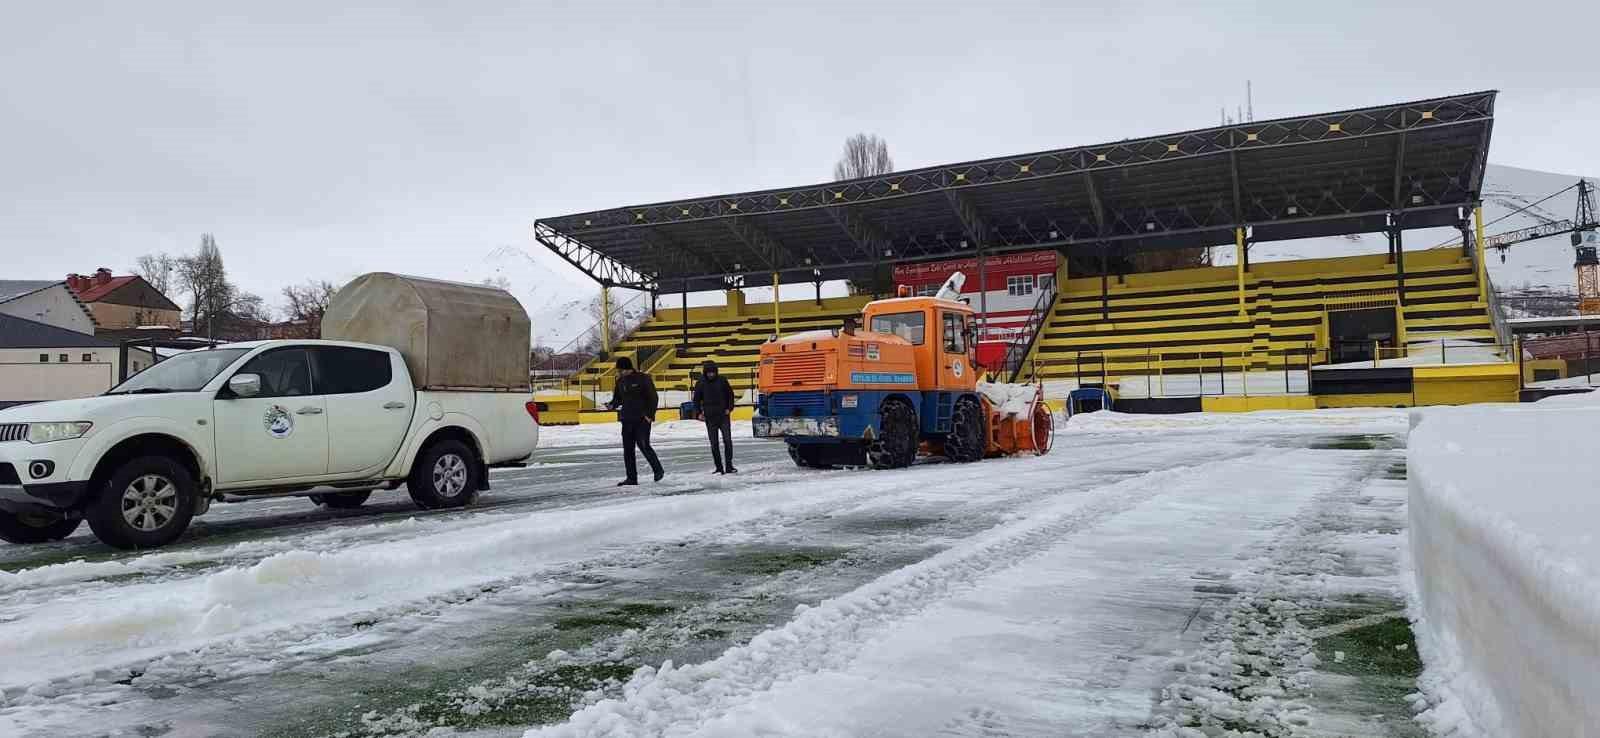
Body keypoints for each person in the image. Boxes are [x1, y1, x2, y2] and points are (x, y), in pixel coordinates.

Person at [606, 357, 663, 486]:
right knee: (628, 449)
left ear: (628, 368)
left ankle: (658, 470)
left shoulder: (643, 378)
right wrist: (611, 405)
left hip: (642, 419)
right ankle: (631, 478)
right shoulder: (620, 381)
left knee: (644, 445)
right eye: (618, 371)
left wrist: (649, 415)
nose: (619, 373)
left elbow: (653, 397)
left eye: (621, 370)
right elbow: (618, 399)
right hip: (627, 419)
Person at [692, 360, 737, 474]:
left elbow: (730, 395)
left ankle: (729, 466)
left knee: (727, 440)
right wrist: (698, 413)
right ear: (705, 373)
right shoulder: (700, 383)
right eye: (709, 373)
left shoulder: (722, 380)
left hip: (723, 416)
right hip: (710, 417)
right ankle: (719, 467)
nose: (711, 375)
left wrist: (729, 408)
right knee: (714, 443)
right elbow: (696, 400)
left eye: (713, 372)